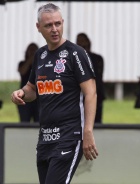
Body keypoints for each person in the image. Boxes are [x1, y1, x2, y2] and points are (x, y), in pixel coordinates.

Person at [10, 3, 98, 184]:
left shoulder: (75, 54)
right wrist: (20, 93)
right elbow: (33, 89)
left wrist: (87, 131)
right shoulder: (40, 55)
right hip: (45, 138)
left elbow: (91, 93)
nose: (54, 29)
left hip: (69, 136)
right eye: (48, 25)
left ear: (63, 23)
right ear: (38, 27)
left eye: (58, 23)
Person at [76, 33, 105, 124]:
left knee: (95, 120)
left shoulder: (97, 58)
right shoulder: (74, 59)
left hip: (95, 93)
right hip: (78, 96)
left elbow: (97, 75)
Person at [17, 43, 39, 123]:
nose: (32, 52)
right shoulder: (22, 63)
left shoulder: (41, 64)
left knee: (39, 122)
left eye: (34, 50)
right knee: (24, 121)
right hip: (24, 97)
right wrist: (30, 60)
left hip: (38, 97)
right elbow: (22, 71)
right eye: (31, 50)